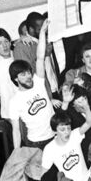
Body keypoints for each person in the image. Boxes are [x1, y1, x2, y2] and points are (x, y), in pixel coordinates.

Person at [7, 19, 54, 149]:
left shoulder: (38, 81)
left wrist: (42, 33)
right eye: (23, 74)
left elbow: (40, 57)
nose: (28, 76)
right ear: (15, 79)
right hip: (35, 144)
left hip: (55, 136)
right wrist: (17, 152)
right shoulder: (14, 101)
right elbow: (15, 130)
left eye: (28, 72)